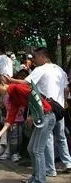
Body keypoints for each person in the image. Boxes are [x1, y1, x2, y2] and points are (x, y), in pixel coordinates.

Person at [7, 47, 71, 175]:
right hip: (59, 108)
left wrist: (9, 80)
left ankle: (50, 168)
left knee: (47, 139)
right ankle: (67, 162)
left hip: (46, 109)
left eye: (35, 57)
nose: (34, 60)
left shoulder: (41, 69)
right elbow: (66, 89)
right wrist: (63, 103)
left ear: (42, 56)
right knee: (61, 136)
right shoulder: (59, 70)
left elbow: (25, 82)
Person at [0, 75, 55, 183]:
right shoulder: (13, 96)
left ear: (3, 84)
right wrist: (0, 133)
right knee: (31, 149)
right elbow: (11, 116)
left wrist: (32, 115)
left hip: (46, 116)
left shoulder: (17, 88)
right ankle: (35, 177)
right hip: (41, 118)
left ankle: (40, 180)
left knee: (37, 150)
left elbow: (35, 95)